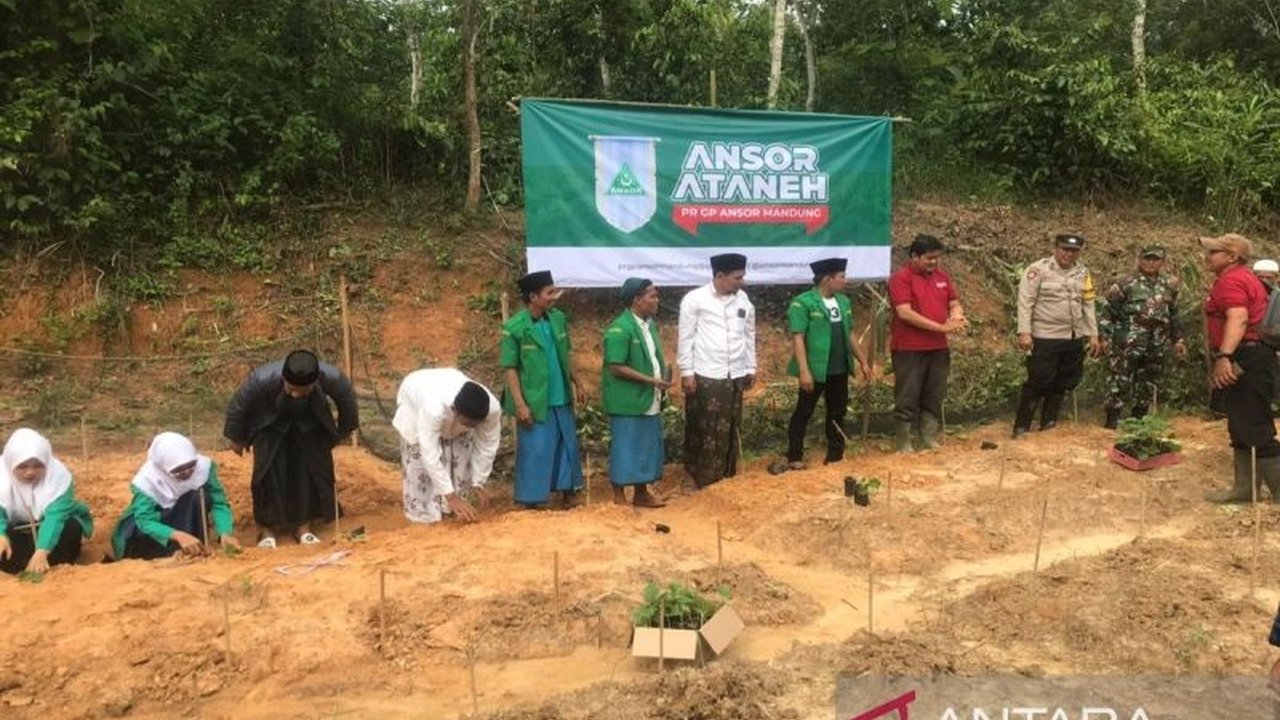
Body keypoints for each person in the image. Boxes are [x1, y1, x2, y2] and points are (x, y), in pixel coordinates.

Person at [223, 349, 359, 547]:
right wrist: (237, 437)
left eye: (302, 391)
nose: (295, 395)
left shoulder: (331, 377)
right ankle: (266, 529)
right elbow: (239, 406)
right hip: (269, 424)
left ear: (314, 383)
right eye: (291, 388)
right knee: (266, 474)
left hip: (309, 422)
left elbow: (347, 400)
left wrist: (343, 430)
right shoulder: (262, 378)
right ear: (283, 379)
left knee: (308, 472)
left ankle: (304, 526)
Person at [1200, 234, 1280, 502]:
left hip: (1246, 356)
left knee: (1255, 424)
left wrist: (1224, 356)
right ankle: (1244, 490)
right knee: (1240, 423)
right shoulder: (1242, 277)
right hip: (1250, 355)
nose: (1208, 256)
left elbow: (1239, 318)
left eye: (1214, 251)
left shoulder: (1233, 280)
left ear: (1232, 256)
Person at [501, 270, 584, 509]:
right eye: (549, 293)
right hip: (534, 400)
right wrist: (520, 405)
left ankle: (568, 492)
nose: (554, 296)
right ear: (533, 297)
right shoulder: (514, 327)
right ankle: (531, 499)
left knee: (566, 444)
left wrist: (577, 382)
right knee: (535, 449)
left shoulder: (557, 318)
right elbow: (510, 368)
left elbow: (565, 354)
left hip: (561, 396)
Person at [678, 253, 756, 489]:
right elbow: (686, 337)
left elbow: (749, 335)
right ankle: (694, 475)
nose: (741, 282)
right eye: (737, 277)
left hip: (736, 373)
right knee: (702, 425)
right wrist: (687, 371)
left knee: (730, 425)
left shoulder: (743, 300)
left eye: (742, 277)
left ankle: (725, 477)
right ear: (720, 276)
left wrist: (751, 367)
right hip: (705, 372)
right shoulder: (695, 299)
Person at [1013, 233, 1102, 438]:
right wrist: (1024, 332)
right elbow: (1025, 302)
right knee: (1039, 380)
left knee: (1064, 381)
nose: (1069, 254)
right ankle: (1022, 426)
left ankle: (1049, 423)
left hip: (1072, 337)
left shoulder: (1082, 272)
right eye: (1065, 249)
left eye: (1074, 251)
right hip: (1045, 335)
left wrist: (1092, 335)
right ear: (1055, 248)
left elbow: (1088, 303)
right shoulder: (1038, 270)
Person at [784, 258, 870, 467]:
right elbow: (798, 338)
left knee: (837, 411)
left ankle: (835, 455)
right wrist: (804, 371)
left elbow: (849, 334)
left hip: (838, 368)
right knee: (804, 411)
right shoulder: (802, 302)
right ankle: (794, 456)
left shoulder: (843, 302)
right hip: (815, 369)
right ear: (827, 279)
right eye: (841, 277)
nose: (845, 281)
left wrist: (862, 361)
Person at [888, 235, 967, 451]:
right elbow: (905, 313)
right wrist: (941, 328)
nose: (934, 262)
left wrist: (957, 315)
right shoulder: (901, 278)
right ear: (914, 256)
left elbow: (954, 302)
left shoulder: (942, 277)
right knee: (907, 394)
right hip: (909, 348)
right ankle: (904, 441)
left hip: (938, 348)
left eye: (937, 258)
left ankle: (928, 436)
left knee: (935, 393)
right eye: (929, 258)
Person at [393, 368, 499, 524]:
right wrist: (450, 496)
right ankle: (422, 519)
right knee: (420, 467)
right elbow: (429, 452)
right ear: (455, 412)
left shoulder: (492, 410)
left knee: (461, 461)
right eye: (467, 423)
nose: (472, 427)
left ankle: (451, 512)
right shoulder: (433, 408)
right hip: (416, 402)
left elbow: (487, 444)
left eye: (475, 425)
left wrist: (478, 482)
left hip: (447, 396)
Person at [111, 432, 239, 560]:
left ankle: (195, 545)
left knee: (199, 497)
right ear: (164, 468)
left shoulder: (203, 469)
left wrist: (225, 532)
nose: (188, 472)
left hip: (182, 517)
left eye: (191, 466)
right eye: (178, 470)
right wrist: (178, 536)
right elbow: (145, 521)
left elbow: (218, 502)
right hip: (151, 530)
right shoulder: (147, 481)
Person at [1099, 246, 1187, 429]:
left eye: (1155, 259)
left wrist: (1178, 339)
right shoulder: (1125, 282)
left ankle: (1139, 419)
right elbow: (1108, 311)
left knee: (1148, 379)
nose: (1150, 263)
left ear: (1162, 261)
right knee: (1120, 378)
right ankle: (1112, 420)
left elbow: (1174, 314)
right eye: (1147, 259)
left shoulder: (1170, 284)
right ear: (1139, 259)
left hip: (1156, 341)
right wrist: (1104, 337)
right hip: (1128, 339)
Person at [602, 278, 670, 508]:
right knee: (625, 445)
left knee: (646, 445)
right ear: (636, 300)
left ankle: (641, 492)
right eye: (652, 296)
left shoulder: (648, 324)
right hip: (628, 400)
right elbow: (615, 366)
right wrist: (651, 380)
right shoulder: (619, 328)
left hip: (649, 397)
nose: (656, 300)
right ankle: (619, 496)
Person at [0, 428, 93, 575]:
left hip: (52, 527)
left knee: (70, 528)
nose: (30, 472)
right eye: (22, 466)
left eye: (38, 466)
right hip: (14, 528)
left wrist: (42, 551)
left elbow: (55, 518)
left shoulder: (59, 478)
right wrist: (1, 535)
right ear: (10, 463)